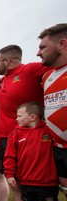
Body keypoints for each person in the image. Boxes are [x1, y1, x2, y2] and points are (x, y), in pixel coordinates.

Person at [0, 44, 51, 201]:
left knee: (22, 185)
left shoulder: (30, 70)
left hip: (28, 139)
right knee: (15, 184)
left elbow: (55, 66)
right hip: (7, 139)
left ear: (8, 61)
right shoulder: (6, 78)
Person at [4, 102, 61, 201]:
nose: (16, 118)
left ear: (33, 117)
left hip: (48, 183)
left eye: (19, 116)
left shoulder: (49, 131)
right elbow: (9, 156)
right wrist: (10, 174)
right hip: (27, 183)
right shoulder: (15, 133)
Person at [37, 24, 67, 192]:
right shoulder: (46, 76)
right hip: (57, 149)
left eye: (43, 47)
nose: (38, 53)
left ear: (61, 44)